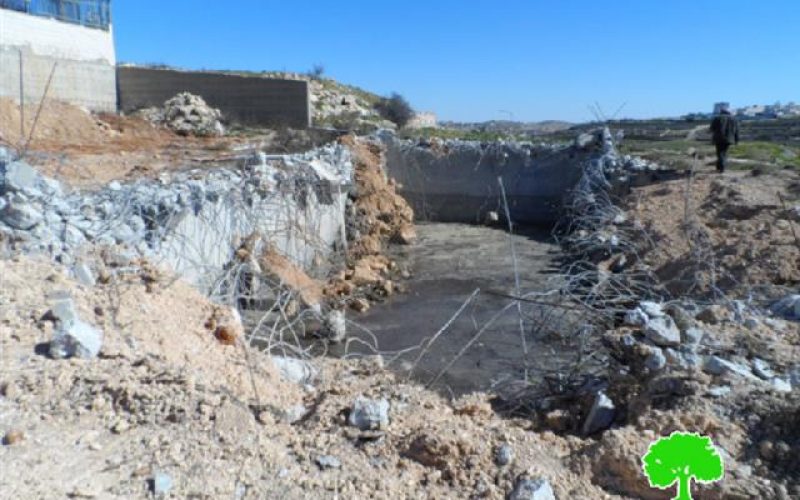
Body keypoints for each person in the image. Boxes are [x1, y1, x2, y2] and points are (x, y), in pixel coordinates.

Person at [709, 104, 740, 173]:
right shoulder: (734, 119)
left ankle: (721, 167)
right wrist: (737, 140)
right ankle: (720, 167)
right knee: (724, 152)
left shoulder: (717, 118)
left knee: (719, 153)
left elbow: (711, 129)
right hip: (729, 139)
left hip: (718, 139)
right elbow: (737, 131)